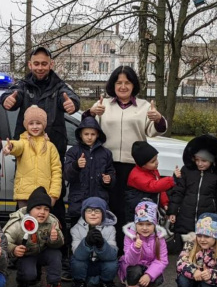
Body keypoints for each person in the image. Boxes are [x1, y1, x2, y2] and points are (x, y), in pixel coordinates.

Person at [0, 46, 80, 279]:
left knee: (53, 208)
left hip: (52, 149)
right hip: (27, 152)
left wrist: (72, 104)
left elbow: (71, 97)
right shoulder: (23, 86)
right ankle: (21, 254)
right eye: (36, 63)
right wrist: (8, 99)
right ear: (30, 64)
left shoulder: (59, 86)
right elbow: (10, 96)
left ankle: (57, 255)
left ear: (51, 64)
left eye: (44, 63)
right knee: (24, 212)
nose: (40, 67)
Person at [87, 66, 167, 248]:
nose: (123, 86)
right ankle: (110, 249)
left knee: (132, 210)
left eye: (127, 82)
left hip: (134, 167)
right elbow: (88, 128)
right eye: (119, 82)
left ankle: (131, 250)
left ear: (133, 85)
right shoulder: (104, 104)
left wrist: (158, 118)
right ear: (113, 85)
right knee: (110, 208)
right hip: (109, 165)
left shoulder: (144, 106)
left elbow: (154, 131)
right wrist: (91, 113)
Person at [4, 187, 70, 287]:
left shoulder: (52, 221)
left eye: (46, 209)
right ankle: (22, 279)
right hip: (27, 254)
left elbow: (60, 243)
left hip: (43, 252)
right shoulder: (18, 222)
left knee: (56, 255)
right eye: (38, 208)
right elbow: (4, 241)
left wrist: (54, 239)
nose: (42, 212)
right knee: (30, 276)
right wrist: (13, 249)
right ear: (30, 209)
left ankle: (54, 286)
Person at [168, 134, 217, 255]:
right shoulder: (187, 170)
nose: (199, 163)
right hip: (186, 216)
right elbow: (178, 191)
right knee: (185, 252)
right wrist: (173, 211)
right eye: (196, 160)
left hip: (207, 219)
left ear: (212, 161)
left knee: (205, 253)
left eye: (204, 160)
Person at [2, 105, 61, 209]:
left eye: (38, 123)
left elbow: (56, 171)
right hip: (24, 195)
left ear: (44, 125)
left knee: (41, 223)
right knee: (24, 223)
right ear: (26, 125)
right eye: (31, 123)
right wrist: (10, 147)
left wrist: (54, 195)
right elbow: (17, 146)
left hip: (43, 195)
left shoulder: (50, 146)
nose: (35, 126)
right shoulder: (23, 143)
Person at [63, 116, 115, 226]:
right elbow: (67, 175)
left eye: (93, 134)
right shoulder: (73, 152)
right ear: (80, 135)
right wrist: (76, 165)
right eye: (86, 134)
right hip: (79, 203)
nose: (89, 137)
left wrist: (109, 179)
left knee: (98, 234)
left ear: (98, 135)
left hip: (99, 202)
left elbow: (111, 172)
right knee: (76, 233)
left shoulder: (106, 153)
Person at [118, 200, 169, 287]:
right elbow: (130, 261)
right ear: (136, 224)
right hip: (133, 266)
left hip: (149, 266)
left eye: (149, 224)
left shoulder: (160, 237)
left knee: (158, 276)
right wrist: (135, 248)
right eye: (141, 224)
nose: (144, 228)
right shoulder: (129, 236)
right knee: (134, 270)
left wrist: (149, 275)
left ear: (155, 224)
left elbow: (162, 260)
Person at [68, 197, 119, 287]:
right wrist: (86, 242)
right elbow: (77, 254)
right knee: (76, 261)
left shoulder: (111, 229)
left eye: (97, 211)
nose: (93, 214)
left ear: (103, 214)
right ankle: (79, 282)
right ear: (84, 213)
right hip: (85, 264)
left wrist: (102, 244)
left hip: (101, 263)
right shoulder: (75, 229)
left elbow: (113, 254)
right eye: (89, 210)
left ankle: (106, 283)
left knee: (112, 263)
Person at [124, 140, 174, 224]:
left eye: (156, 159)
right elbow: (154, 186)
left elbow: (160, 189)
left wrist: (164, 202)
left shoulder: (152, 170)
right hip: (138, 211)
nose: (157, 162)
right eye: (153, 161)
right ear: (142, 164)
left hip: (149, 208)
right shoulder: (136, 175)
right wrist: (172, 180)